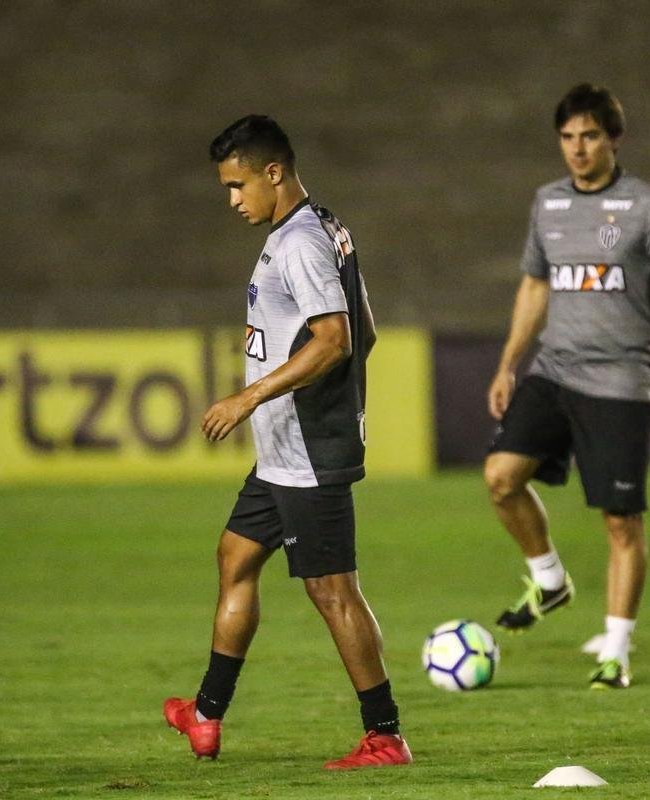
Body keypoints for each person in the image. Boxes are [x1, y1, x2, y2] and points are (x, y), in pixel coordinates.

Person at [164, 115, 411, 769]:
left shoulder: (300, 242)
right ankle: (207, 715)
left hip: (306, 451)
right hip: (283, 451)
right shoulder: (321, 226)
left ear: (273, 172)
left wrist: (249, 398)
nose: (232, 199)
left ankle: (385, 735)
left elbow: (336, 338)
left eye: (237, 184)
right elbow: (369, 330)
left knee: (332, 590)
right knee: (235, 557)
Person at [484, 83, 650, 689]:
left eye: (590, 136)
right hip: (554, 370)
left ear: (613, 140)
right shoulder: (547, 204)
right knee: (501, 478)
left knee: (620, 522)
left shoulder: (648, 205)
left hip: (619, 380)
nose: (578, 149)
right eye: (568, 137)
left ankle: (616, 649)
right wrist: (508, 363)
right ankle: (549, 580)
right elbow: (534, 287)